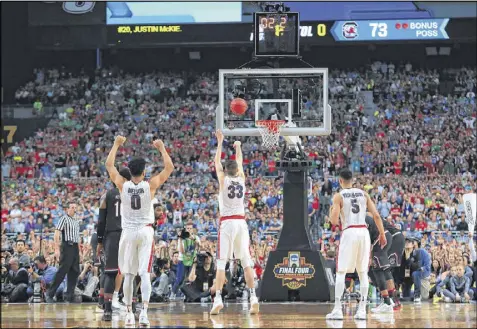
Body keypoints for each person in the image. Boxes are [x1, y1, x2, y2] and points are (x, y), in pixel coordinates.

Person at [106, 136, 174, 327]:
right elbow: (169, 168)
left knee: (127, 274)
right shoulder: (150, 185)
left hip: (127, 232)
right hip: (145, 231)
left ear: (129, 172)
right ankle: (143, 312)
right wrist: (161, 148)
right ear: (144, 172)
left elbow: (109, 165)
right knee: (144, 273)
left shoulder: (122, 185)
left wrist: (116, 144)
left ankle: (128, 314)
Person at [326, 168, 386, 321]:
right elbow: (377, 216)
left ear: (340, 181)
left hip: (350, 231)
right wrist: (382, 234)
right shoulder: (364, 194)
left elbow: (333, 221)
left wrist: (332, 210)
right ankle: (361, 311)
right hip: (364, 232)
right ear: (353, 180)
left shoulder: (338, 196)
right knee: (362, 273)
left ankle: (338, 310)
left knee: (341, 272)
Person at [210, 129, 259, 315]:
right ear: (237, 171)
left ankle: (218, 299)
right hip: (241, 223)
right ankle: (253, 296)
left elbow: (216, 162)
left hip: (227, 223)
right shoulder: (242, 179)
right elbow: (239, 162)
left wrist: (220, 142)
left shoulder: (223, 180)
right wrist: (238, 147)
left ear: (225, 170)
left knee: (222, 262)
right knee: (246, 261)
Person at [96, 167, 132, 321]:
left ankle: (107, 309)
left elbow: (101, 221)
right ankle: (132, 306)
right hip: (127, 234)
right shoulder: (132, 193)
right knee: (130, 271)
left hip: (112, 236)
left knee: (110, 272)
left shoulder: (106, 195)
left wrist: (99, 240)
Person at [45, 202, 81, 303]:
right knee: (62, 271)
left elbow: (77, 238)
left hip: (75, 247)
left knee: (74, 272)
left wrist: (80, 252)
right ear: (67, 209)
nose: (74, 209)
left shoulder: (77, 221)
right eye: (72, 207)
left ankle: (69, 296)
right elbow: (57, 233)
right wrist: (56, 249)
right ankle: (49, 294)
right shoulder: (64, 218)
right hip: (67, 246)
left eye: (75, 207)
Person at [365, 212, 401, 313]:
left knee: (377, 269)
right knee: (385, 270)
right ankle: (394, 301)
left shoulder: (362, 219)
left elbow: (368, 241)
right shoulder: (368, 215)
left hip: (380, 238)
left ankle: (387, 302)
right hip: (387, 235)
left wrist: (370, 257)